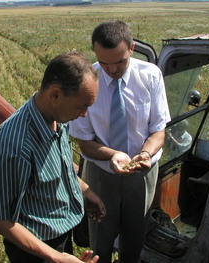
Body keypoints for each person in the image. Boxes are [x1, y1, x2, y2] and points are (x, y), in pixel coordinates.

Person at [0, 51, 106, 263]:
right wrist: (56, 257)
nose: (84, 114)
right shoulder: (15, 145)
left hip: (58, 239)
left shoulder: (56, 118)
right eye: (82, 106)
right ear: (55, 95)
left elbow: (60, 168)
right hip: (35, 250)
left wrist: (85, 191)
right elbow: (1, 221)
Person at [69, 20, 170, 263]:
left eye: (119, 62)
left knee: (135, 237)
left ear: (132, 48)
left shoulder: (150, 75)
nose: (112, 69)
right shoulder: (87, 82)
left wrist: (145, 154)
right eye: (104, 63)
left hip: (142, 173)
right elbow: (84, 142)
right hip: (101, 173)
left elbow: (159, 130)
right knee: (99, 240)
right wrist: (112, 155)